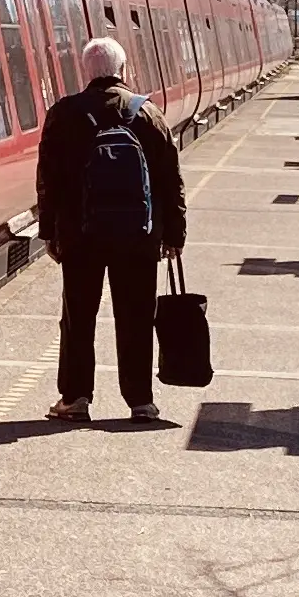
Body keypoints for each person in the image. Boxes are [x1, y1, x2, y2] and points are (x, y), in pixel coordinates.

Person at [34, 36, 186, 423]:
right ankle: (140, 402)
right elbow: (171, 179)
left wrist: (49, 232)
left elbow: (47, 179)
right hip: (138, 234)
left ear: (86, 70)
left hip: (80, 235)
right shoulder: (148, 114)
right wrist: (174, 235)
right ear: (123, 70)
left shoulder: (65, 113)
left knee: (78, 316)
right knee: (136, 315)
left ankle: (75, 398)